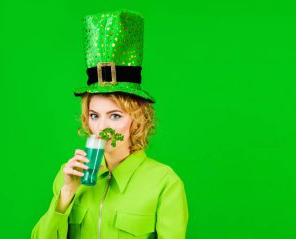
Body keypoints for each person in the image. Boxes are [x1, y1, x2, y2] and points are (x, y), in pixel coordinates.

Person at [31, 9, 188, 239]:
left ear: (137, 120)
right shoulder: (70, 176)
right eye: (94, 115)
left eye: (115, 116)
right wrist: (67, 193)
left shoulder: (165, 182)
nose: (102, 128)